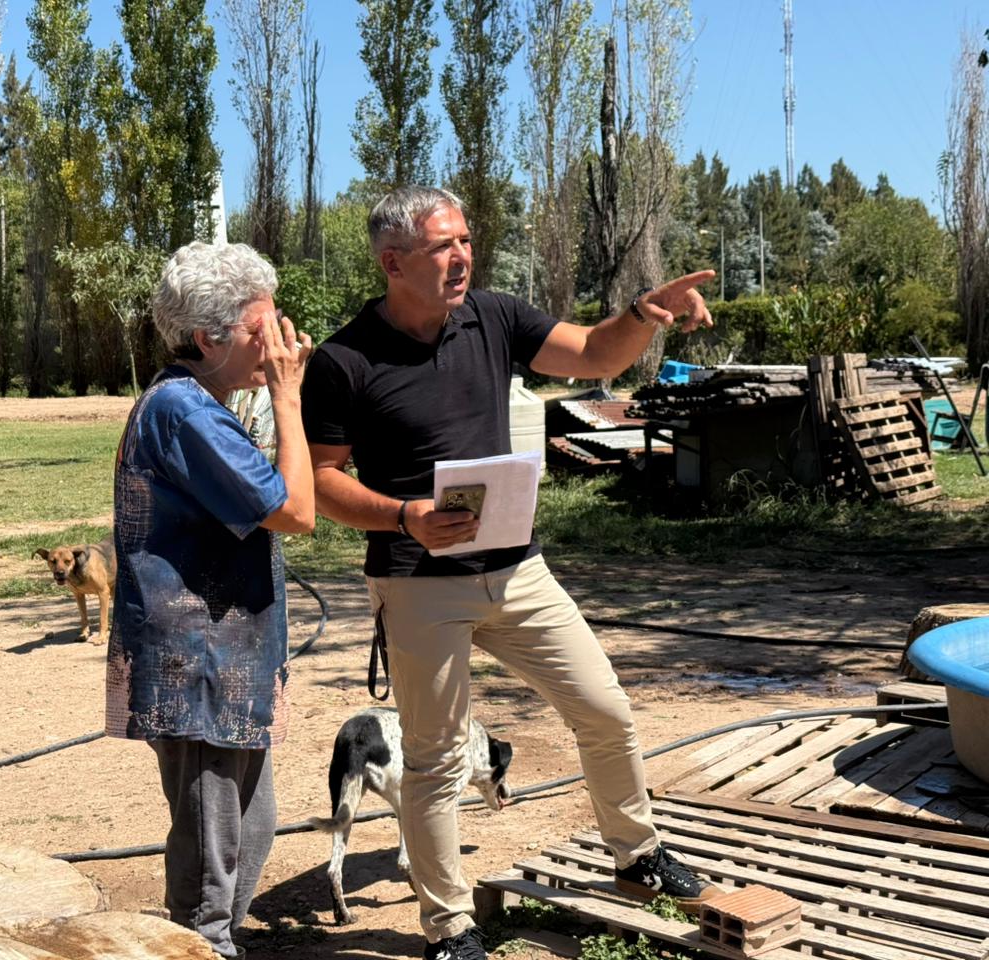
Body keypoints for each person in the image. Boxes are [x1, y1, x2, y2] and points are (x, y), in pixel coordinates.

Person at [300, 186, 720, 960]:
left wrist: (642, 313)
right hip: (417, 580)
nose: (462, 256)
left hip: (517, 570)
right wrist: (405, 516)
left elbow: (592, 354)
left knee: (605, 709)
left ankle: (638, 856)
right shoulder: (342, 360)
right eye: (443, 246)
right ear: (393, 262)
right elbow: (321, 481)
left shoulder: (493, 317)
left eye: (466, 240)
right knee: (434, 758)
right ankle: (450, 928)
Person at [106, 241, 314, 959]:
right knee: (209, 866)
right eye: (264, 328)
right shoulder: (182, 412)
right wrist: (288, 398)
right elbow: (295, 510)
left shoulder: (204, 407)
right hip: (196, 667)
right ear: (209, 338)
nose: (279, 343)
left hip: (227, 663)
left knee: (249, 829)